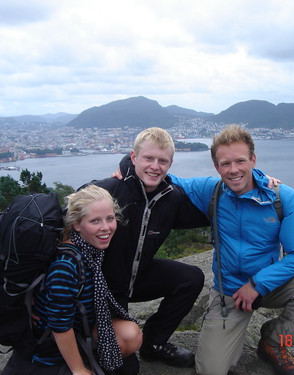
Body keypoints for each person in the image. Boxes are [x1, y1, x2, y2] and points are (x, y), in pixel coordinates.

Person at [168, 125, 294, 375]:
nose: (233, 170)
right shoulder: (211, 192)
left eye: (240, 161)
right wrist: (127, 164)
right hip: (230, 292)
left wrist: (257, 284)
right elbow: (161, 175)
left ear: (253, 160)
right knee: (210, 371)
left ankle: (274, 342)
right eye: (225, 164)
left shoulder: (280, 197)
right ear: (216, 167)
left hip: (270, 284)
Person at [84, 127, 211, 373]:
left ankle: (154, 343)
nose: (155, 166)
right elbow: (67, 224)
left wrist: (254, 184)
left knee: (191, 278)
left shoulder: (171, 198)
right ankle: (87, 338)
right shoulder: (108, 190)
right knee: (126, 369)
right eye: (148, 158)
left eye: (162, 161)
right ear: (133, 158)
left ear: (170, 163)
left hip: (137, 279)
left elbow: (213, 210)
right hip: (101, 291)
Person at [2, 185, 142, 375]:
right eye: (95, 221)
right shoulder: (66, 265)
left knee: (131, 335)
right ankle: (72, 362)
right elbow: (60, 325)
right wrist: (78, 369)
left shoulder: (88, 247)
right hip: (49, 344)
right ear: (76, 224)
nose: (106, 227)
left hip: (79, 328)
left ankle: (84, 357)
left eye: (110, 218)